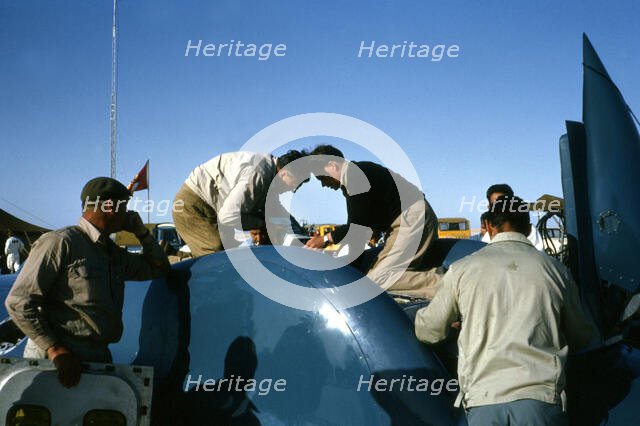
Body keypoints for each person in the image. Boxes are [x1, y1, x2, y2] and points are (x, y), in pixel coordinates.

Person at [415, 195, 593, 425]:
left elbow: (428, 331)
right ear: (528, 227)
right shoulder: (556, 271)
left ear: (488, 226)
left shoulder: (462, 270)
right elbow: (582, 337)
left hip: (484, 402)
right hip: (541, 402)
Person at [5, 177, 170, 388]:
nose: (129, 214)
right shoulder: (61, 242)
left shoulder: (112, 254)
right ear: (110, 207)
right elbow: (18, 302)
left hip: (97, 358)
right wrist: (54, 349)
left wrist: (142, 233)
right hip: (57, 361)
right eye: (125, 207)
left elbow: (159, 267)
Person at [305, 145, 441, 299]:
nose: (324, 184)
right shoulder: (355, 176)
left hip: (412, 218)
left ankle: (450, 286)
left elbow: (357, 229)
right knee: (373, 275)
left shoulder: (355, 176)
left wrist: (324, 239)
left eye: (321, 178)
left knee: (379, 280)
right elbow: (361, 225)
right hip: (406, 221)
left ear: (332, 165)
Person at [173, 150, 309, 257]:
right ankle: (173, 260)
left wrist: (302, 237)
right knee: (216, 257)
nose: (294, 190)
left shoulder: (271, 178)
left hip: (211, 206)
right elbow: (228, 216)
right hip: (193, 205)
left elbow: (276, 211)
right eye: (296, 184)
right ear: (285, 173)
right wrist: (261, 223)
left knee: (232, 255)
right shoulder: (258, 175)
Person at [482, 183, 544, 250]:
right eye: (496, 205)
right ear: (489, 207)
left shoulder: (531, 231)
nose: (501, 207)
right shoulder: (486, 238)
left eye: (505, 203)